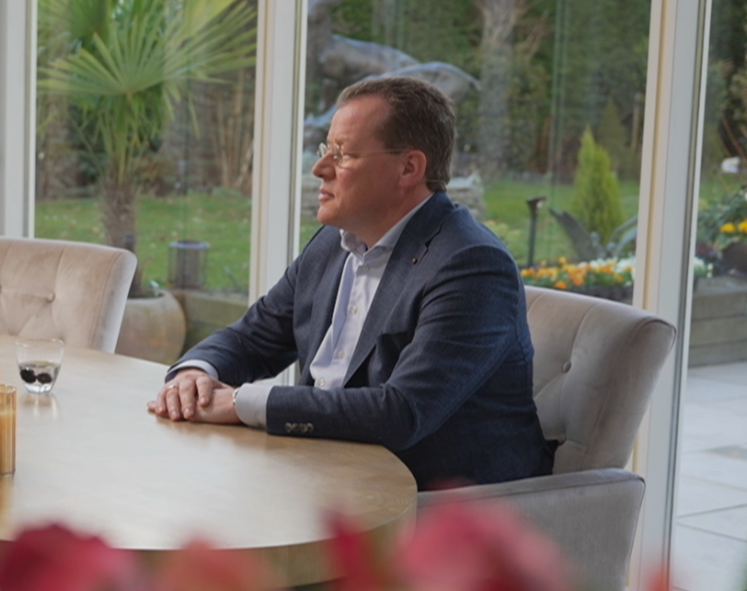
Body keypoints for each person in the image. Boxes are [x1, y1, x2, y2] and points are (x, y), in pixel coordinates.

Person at [148, 76, 551, 489]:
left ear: (409, 168)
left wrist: (239, 402)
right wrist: (196, 374)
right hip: (325, 470)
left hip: (435, 500)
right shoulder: (332, 243)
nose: (319, 169)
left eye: (342, 154)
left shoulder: (472, 265)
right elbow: (253, 337)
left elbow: (401, 412)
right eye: (325, 150)